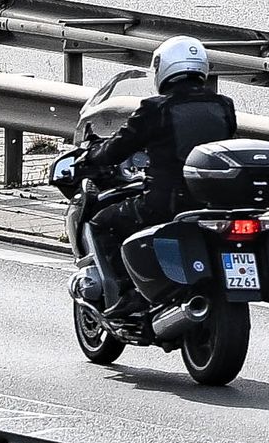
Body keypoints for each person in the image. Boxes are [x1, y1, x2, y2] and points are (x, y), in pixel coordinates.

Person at [81, 37, 239, 289]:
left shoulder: (157, 109)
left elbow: (119, 146)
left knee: (102, 223)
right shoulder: (223, 106)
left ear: (164, 67)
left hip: (165, 203)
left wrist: (91, 156)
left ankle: (125, 294)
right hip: (214, 204)